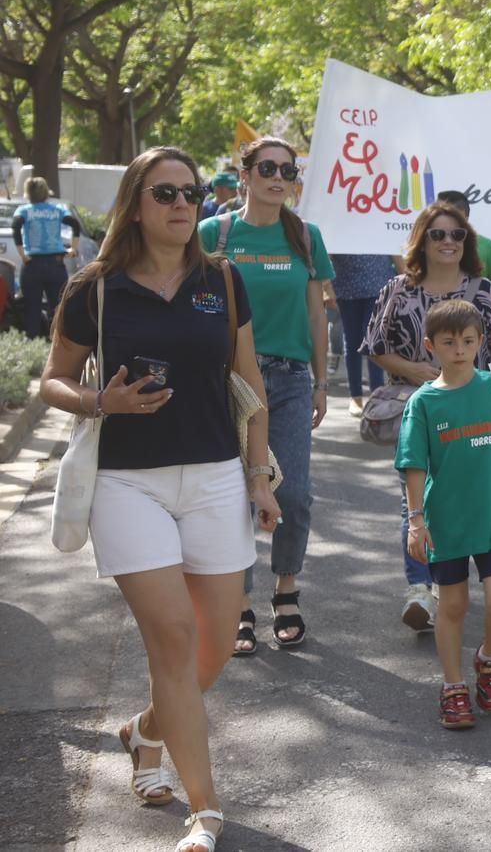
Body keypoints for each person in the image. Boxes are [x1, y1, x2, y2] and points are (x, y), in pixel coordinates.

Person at [39, 146, 281, 852]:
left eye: (193, 193)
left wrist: (260, 478)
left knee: (210, 652)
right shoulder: (96, 287)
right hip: (127, 484)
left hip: (213, 479)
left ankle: (146, 732)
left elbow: (249, 383)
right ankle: (205, 810)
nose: (182, 205)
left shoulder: (224, 281)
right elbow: (51, 380)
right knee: (173, 640)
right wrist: (99, 400)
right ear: (136, 205)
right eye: (165, 193)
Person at [198, 137, 334, 655]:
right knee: (235, 493)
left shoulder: (305, 235)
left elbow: (318, 313)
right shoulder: (215, 232)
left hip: (292, 377)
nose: (279, 177)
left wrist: (321, 381)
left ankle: (286, 588)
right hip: (227, 379)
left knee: (293, 492)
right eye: (268, 168)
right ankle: (240, 600)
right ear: (246, 173)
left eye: (288, 170)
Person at [363, 201, 491, 632]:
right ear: (422, 240)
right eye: (438, 234)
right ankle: (421, 588)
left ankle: (473, 576)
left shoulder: (485, 291)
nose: (449, 242)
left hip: (475, 412)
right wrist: (414, 369)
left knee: (472, 493)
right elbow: (375, 345)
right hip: (421, 405)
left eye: (457, 234)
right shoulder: (398, 290)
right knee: (413, 494)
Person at [399, 299, 491, 728]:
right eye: (449, 342)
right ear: (431, 345)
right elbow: (414, 464)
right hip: (445, 521)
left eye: (468, 341)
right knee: (452, 606)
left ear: (480, 342)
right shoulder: (423, 403)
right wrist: (416, 521)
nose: (459, 349)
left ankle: (488, 658)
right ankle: (453, 686)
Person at [11, 176, 83, 338]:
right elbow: (74, 224)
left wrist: (22, 254)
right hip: (55, 264)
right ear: (46, 192)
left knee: (32, 307)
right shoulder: (57, 209)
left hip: (31, 263)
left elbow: (16, 227)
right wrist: (73, 249)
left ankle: (32, 341)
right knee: (59, 308)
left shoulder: (24, 210)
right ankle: (59, 341)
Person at [329, 253, 395, 415]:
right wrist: (326, 287)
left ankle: (377, 395)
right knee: (352, 342)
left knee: (374, 341)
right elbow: (327, 249)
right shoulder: (339, 226)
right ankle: (356, 396)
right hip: (347, 285)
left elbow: (393, 248)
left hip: (378, 284)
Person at [438, 190, 491, 304]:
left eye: (451, 216)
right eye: (437, 214)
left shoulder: (487, 246)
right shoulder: (427, 245)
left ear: (465, 216)